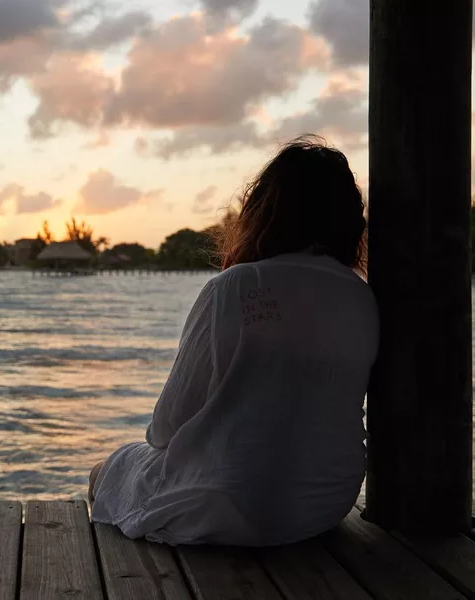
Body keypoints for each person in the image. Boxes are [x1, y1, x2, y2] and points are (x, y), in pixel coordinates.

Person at [89, 136, 379, 546]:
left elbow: (165, 428)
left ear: (264, 213)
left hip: (231, 506)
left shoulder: (235, 286)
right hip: (324, 503)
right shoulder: (362, 295)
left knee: (108, 470)